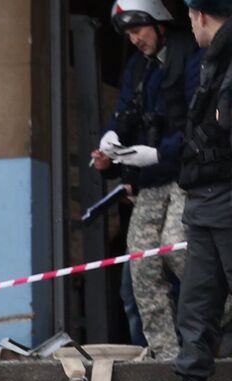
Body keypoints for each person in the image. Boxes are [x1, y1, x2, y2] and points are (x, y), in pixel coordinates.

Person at [94, 1, 199, 361]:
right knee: (141, 263)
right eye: (128, 33)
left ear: (158, 22)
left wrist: (157, 153)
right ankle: (166, 356)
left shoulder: (190, 55)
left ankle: (215, 317)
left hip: (189, 176)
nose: (134, 38)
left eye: (138, 29)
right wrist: (110, 147)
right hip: (151, 182)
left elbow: (198, 124)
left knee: (177, 246)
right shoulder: (138, 67)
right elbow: (123, 114)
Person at [168, 0, 232, 381]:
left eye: (191, 16)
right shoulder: (215, 58)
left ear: (202, 15)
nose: (189, 25)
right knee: (195, 304)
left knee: (199, 303)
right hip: (205, 203)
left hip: (226, 200)